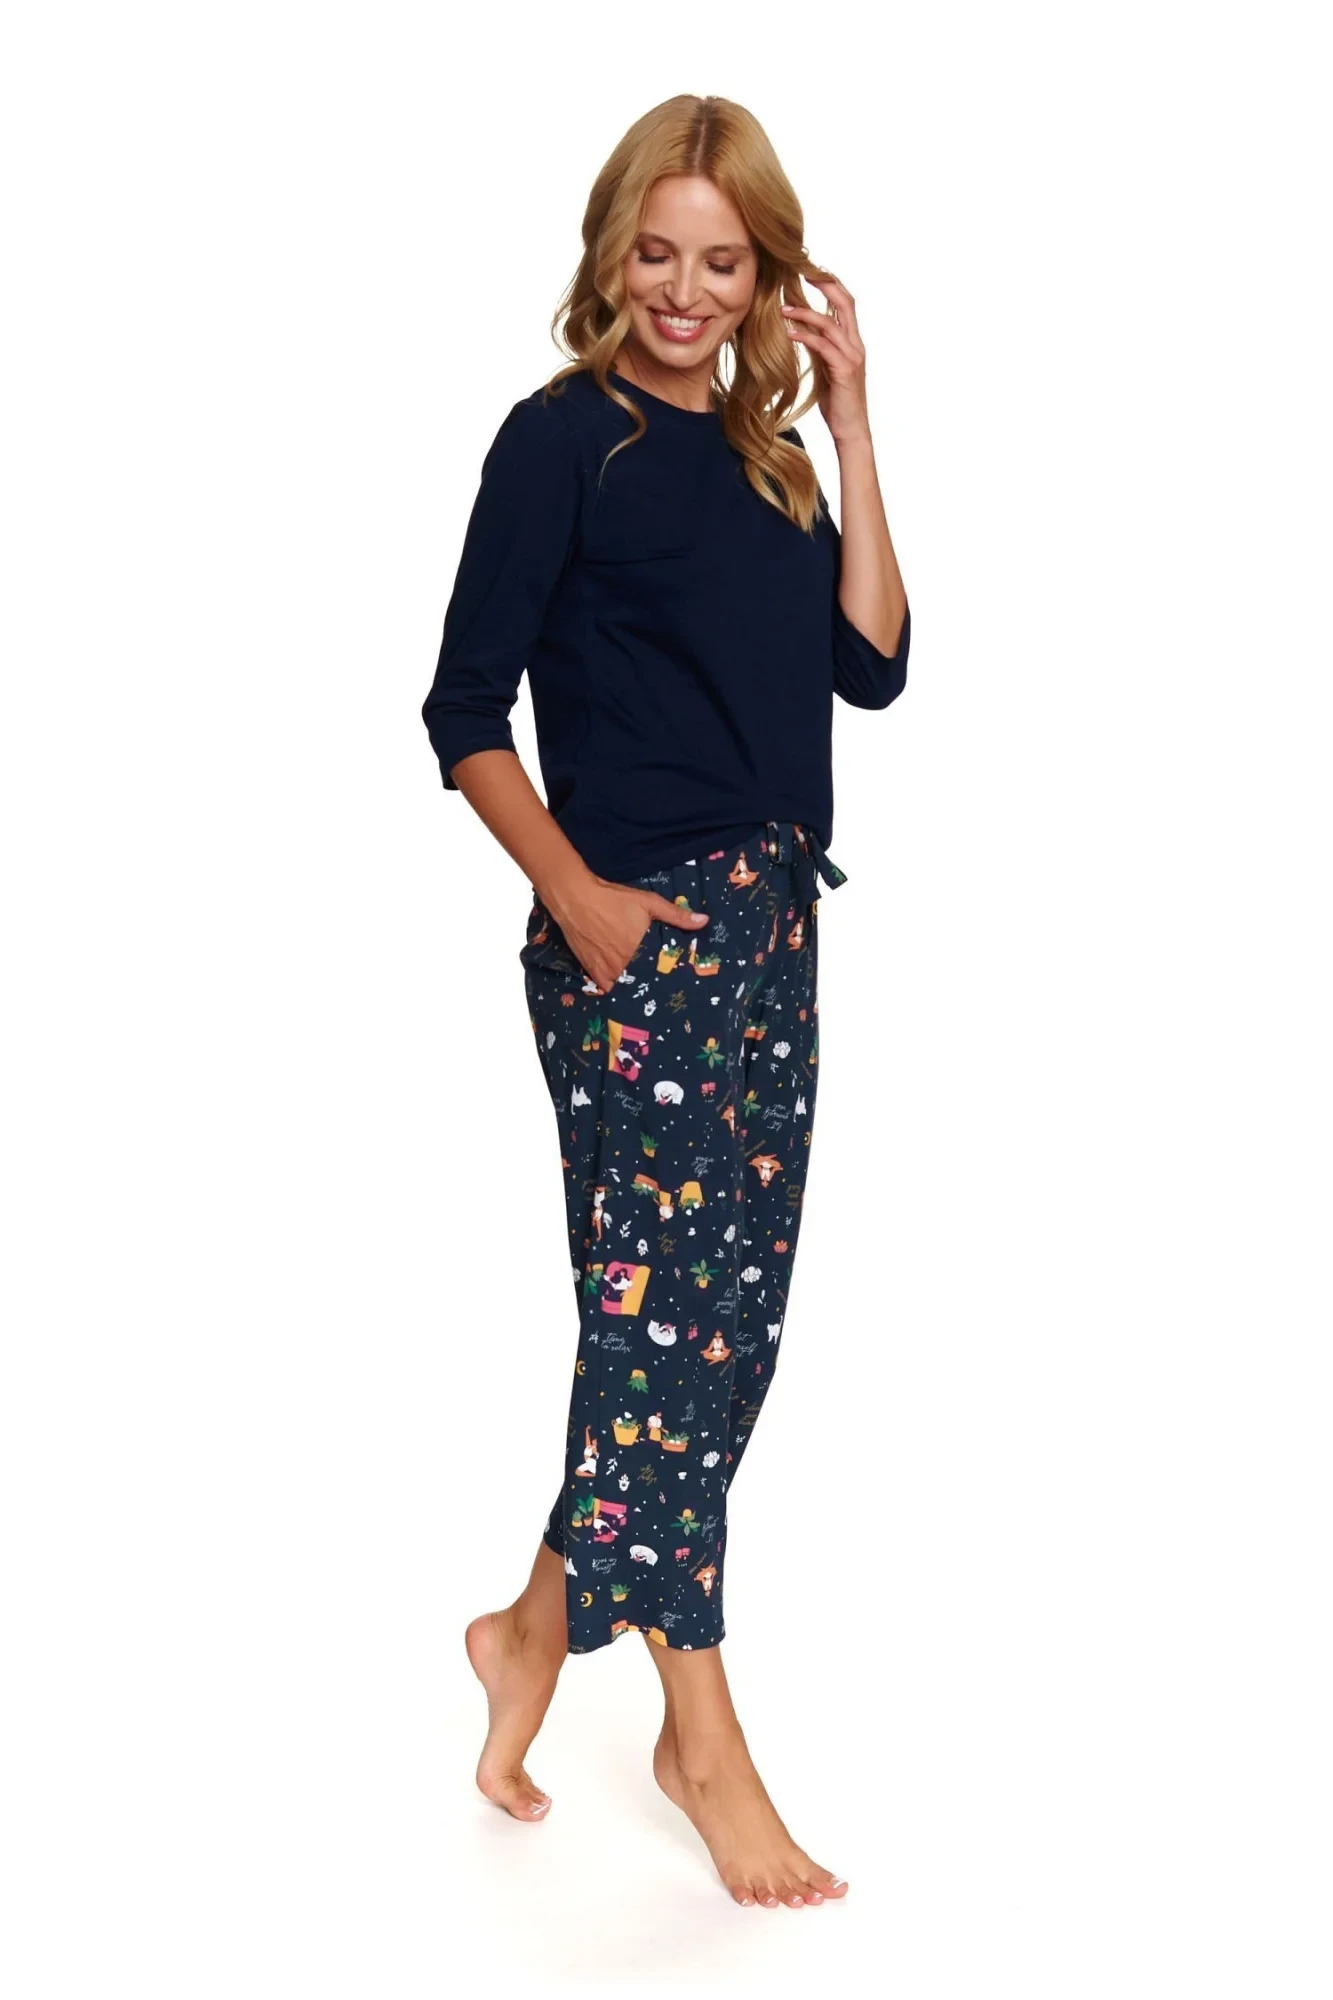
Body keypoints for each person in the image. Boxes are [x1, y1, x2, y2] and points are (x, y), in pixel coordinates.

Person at [421, 94, 909, 1912]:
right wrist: (582, 902)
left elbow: (875, 664)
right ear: (611, 253)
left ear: (768, 277)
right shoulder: (562, 443)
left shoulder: (773, 466)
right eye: (659, 254)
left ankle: (532, 1628)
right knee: (665, 1344)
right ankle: (701, 1738)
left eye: (726, 261)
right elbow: (462, 711)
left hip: (775, 932)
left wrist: (851, 421)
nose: (689, 291)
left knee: (723, 1336)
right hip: (638, 940)